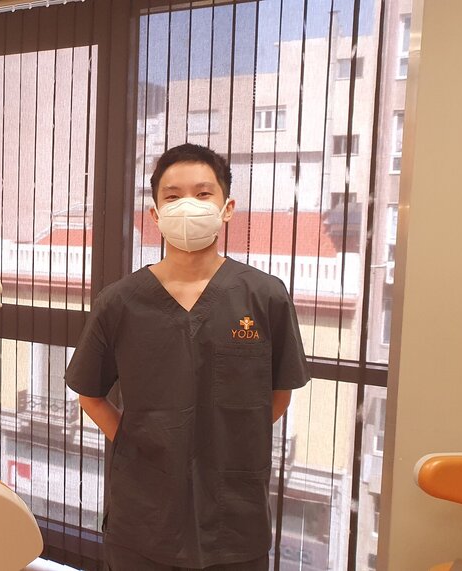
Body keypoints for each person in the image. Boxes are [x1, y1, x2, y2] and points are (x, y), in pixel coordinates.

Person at [65, 143, 311, 570]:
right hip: (144, 518)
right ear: (156, 215)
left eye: (202, 194)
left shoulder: (264, 295)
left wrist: (223, 439)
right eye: (172, 196)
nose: (188, 206)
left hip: (234, 519)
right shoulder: (120, 302)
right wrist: (140, 441)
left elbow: (279, 393)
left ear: (227, 207)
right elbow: (90, 394)